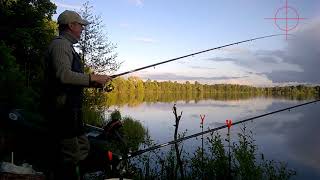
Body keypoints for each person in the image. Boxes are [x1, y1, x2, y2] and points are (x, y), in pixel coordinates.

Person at [43, 10, 112, 179]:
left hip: (71, 111)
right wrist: (92, 77)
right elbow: (63, 76)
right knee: (71, 155)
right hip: (62, 111)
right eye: (80, 25)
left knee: (82, 147)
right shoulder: (60, 45)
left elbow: (69, 80)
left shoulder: (67, 47)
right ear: (71, 25)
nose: (82, 28)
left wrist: (92, 83)